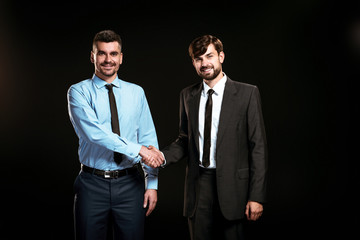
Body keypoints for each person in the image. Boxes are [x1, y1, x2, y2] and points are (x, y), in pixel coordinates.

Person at [152, 34, 268, 240]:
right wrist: (161, 156)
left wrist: (256, 196)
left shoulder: (247, 94)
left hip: (235, 187)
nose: (204, 63)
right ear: (193, 63)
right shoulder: (187, 95)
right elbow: (184, 140)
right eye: (198, 59)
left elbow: (258, 147)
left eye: (209, 56)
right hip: (199, 186)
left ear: (221, 57)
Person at [67, 30, 164, 240]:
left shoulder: (136, 92)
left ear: (121, 57)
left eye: (113, 54)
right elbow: (95, 133)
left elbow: (148, 139)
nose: (108, 60)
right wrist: (137, 150)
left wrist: (152, 185)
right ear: (92, 56)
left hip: (130, 185)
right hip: (92, 184)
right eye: (102, 53)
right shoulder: (78, 92)